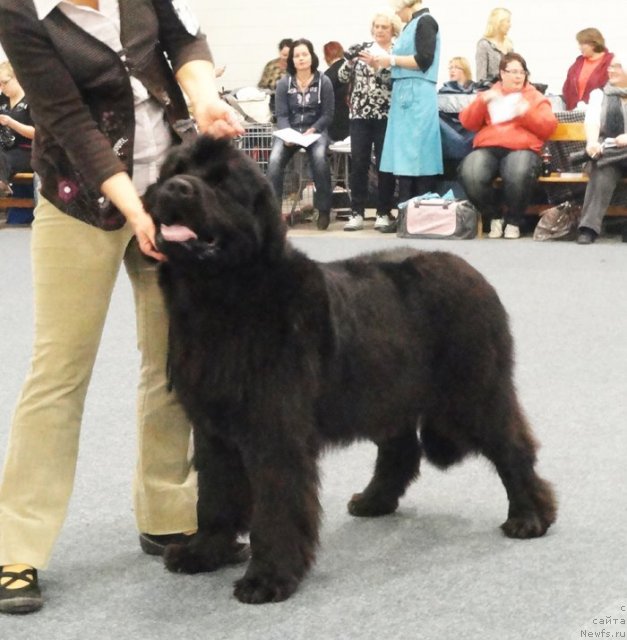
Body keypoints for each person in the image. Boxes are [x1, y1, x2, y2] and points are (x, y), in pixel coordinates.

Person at [0, 0, 243, 615]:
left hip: (170, 189)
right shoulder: (18, 11)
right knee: (59, 371)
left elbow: (184, 41)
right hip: (79, 199)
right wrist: (136, 214)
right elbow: (68, 123)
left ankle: (167, 515)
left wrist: (203, 96)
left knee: (172, 361)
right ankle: (15, 548)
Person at [459, 52, 557, 239]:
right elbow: (467, 122)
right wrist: (481, 102)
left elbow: (548, 128)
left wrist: (526, 113)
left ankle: (513, 220)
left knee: (519, 171)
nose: (518, 76)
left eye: (522, 72)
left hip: (523, 148)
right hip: (488, 147)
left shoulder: (535, 97)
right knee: (471, 172)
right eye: (513, 71)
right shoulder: (489, 94)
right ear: (502, 73)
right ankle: (495, 217)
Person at [376, 0, 442, 232]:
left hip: (416, 95)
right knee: (404, 159)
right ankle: (405, 215)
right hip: (405, 94)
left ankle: (416, 216)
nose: (397, 14)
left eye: (397, 9)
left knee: (418, 156)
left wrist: (390, 60)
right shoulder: (411, 24)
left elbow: (424, 60)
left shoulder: (425, 22)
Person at [338, 8, 401, 231]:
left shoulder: (397, 52)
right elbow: (342, 78)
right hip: (359, 115)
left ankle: (383, 212)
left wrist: (378, 67)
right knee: (359, 165)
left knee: (385, 166)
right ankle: (356, 212)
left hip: (386, 116)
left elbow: (394, 82)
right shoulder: (362, 50)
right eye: (377, 26)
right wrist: (348, 61)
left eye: (385, 27)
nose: (380, 30)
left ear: (393, 30)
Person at [267, 38, 334, 230]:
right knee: (274, 160)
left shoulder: (324, 81)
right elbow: (281, 115)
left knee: (320, 158)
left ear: (312, 57)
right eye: (296, 56)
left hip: (315, 131)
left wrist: (314, 129)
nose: (301, 59)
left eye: (304, 54)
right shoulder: (283, 83)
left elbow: (328, 115)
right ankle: (273, 214)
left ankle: (323, 210)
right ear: (292, 61)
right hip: (290, 130)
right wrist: (287, 134)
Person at [577, 52, 627, 244]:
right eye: (610, 66)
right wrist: (591, 142)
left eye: (617, 66)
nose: (611, 70)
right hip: (611, 152)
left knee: (604, 159)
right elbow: (592, 122)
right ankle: (588, 228)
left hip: (621, 148)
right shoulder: (599, 95)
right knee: (602, 168)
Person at [0, 61, 34, 196]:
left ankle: (3, 183)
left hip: (27, 150)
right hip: (4, 148)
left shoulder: (31, 101)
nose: (2, 88)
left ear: (17, 77)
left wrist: (11, 122)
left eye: (5, 82)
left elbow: (37, 133)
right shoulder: (2, 100)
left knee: (4, 158)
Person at [562, 28, 614, 111]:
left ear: (593, 44)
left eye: (582, 44)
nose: (579, 47)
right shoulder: (578, 63)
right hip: (575, 115)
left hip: (600, 115)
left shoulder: (611, 62)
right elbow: (567, 88)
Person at [438, 57, 476, 162]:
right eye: (450, 68)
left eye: (456, 67)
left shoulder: (476, 91)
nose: (452, 70)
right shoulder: (442, 92)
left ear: (465, 70)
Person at [475, 7, 513, 85]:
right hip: (491, 92)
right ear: (498, 22)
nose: (510, 25)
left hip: (509, 90)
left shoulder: (509, 45)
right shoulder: (484, 44)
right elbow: (481, 78)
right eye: (508, 21)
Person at [323, 41, 350, 143]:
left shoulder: (327, 75)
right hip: (354, 123)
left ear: (326, 57)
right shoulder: (352, 68)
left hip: (335, 126)